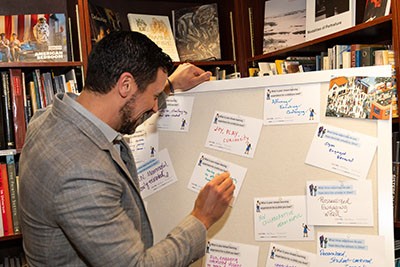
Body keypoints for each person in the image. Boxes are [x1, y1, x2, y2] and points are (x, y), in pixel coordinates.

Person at [19, 31, 235, 266]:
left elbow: (125, 113)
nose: (155, 107)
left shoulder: (49, 117)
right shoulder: (82, 174)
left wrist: (168, 85)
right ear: (125, 84)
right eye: (153, 96)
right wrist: (201, 218)